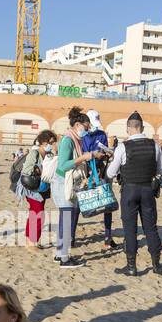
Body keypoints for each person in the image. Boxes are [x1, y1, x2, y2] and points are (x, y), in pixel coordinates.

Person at [106, 111, 162, 277]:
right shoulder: (154, 145)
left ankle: (131, 267)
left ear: (128, 129)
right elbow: (161, 169)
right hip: (148, 189)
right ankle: (157, 265)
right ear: (142, 127)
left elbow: (111, 172)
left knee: (130, 228)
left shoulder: (123, 147)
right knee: (151, 227)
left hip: (129, 190)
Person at [51, 107, 104, 268]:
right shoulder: (68, 140)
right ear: (78, 125)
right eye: (86, 127)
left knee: (64, 219)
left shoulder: (76, 139)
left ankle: (60, 254)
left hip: (68, 182)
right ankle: (64, 259)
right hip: (63, 183)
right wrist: (84, 157)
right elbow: (63, 165)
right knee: (66, 220)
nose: (87, 131)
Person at [83, 110, 117, 249]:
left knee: (107, 204)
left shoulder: (101, 134)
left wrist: (106, 154)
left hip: (101, 171)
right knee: (80, 203)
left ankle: (108, 237)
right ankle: (71, 237)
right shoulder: (82, 136)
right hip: (85, 172)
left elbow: (103, 153)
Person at [19, 130, 57, 250]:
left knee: (34, 213)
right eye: (51, 142)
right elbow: (27, 170)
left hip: (42, 188)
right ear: (44, 142)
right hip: (32, 189)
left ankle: (30, 241)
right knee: (38, 213)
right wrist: (41, 170)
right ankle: (32, 242)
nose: (53, 144)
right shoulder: (34, 153)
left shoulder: (48, 155)